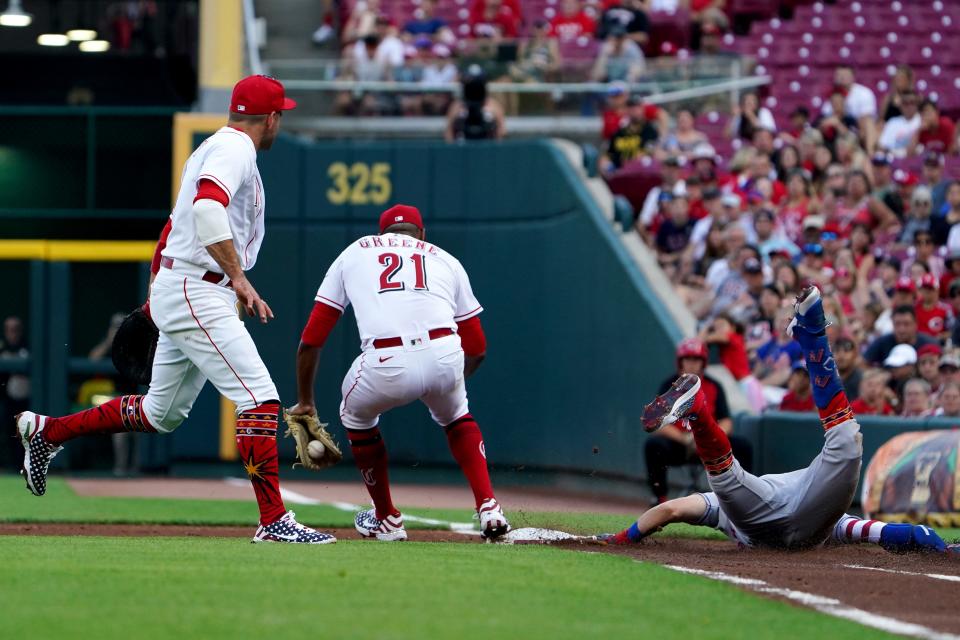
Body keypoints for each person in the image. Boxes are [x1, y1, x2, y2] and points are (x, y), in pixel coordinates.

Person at [15, 76, 334, 545]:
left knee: (162, 413)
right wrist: (237, 279)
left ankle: (48, 432)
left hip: (185, 285)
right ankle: (274, 520)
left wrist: (156, 298)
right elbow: (207, 212)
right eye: (279, 115)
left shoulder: (210, 149)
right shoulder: (236, 150)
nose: (278, 123)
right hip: (198, 288)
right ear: (271, 118)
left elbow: (170, 231)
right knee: (261, 400)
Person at [604, 287, 957, 556]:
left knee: (729, 483)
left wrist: (622, 538)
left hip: (776, 513)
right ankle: (810, 338)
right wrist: (946, 550)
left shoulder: (723, 512)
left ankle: (701, 411)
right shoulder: (832, 523)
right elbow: (908, 534)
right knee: (845, 445)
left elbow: (669, 509)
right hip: (810, 515)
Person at [289, 204, 510, 541]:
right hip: (445, 350)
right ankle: (489, 507)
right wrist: (449, 382)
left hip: (386, 360)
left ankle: (387, 519)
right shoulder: (445, 259)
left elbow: (312, 339)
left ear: (382, 235)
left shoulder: (354, 252)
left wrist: (306, 401)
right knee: (457, 415)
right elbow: (478, 347)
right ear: (421, 234)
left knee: (354, 415)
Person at [644, 338, 752, 506]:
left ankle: (743, 500)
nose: (692, 364)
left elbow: (726, 422)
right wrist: (686, 439)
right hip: (681, 444)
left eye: (696, 359)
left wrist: (710, 437)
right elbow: (658, 422)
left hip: (710, 443)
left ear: (703, 362)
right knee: (654, 445)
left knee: (743, 446)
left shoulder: (715, 385)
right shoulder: (669, 385)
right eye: (688, 359)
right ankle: (659, 499)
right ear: (680, 362)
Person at [600, 96, 659, 174]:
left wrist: (633, 162)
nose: (634, 111)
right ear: (627, 110)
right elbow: (608, 154)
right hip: (619, 175)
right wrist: (605, 164)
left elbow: (652, 152)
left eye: (637, 108)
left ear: (642, 109)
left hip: (642, 174)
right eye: (631, 108)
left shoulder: (650, 131)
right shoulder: (619, 133)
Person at [445, 66, 505, 142]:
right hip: (462, 149)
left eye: (477, 85)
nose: (474, 89)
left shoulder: (493, 105)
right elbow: (448, 133)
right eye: (471, 86)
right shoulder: (456, 106)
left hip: (487, 148)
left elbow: (502, 131)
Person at [0, 316, 29, 471]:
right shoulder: (2, 348)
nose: (13, 333)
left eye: (15, 330)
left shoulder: (28, 347)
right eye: (9, 330)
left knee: (25, 435)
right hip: (7, 400)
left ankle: (25, 465)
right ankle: (8, 465)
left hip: (26, 402)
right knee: (8, 432)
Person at [863, 305, 938, 365]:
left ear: (915, 324)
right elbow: (863, 362)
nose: (901, 329)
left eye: (906, 324)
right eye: (897, 324)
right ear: (892, 324)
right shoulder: (882, 342)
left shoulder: (929, 343)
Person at [878, 89, 921, 158]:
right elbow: (883, 146)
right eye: (905, 103)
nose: (909, 106)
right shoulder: (892, 122)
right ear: (900, 105)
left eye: (912, 102)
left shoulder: (921, 121)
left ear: (917, 104)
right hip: (892, 158)